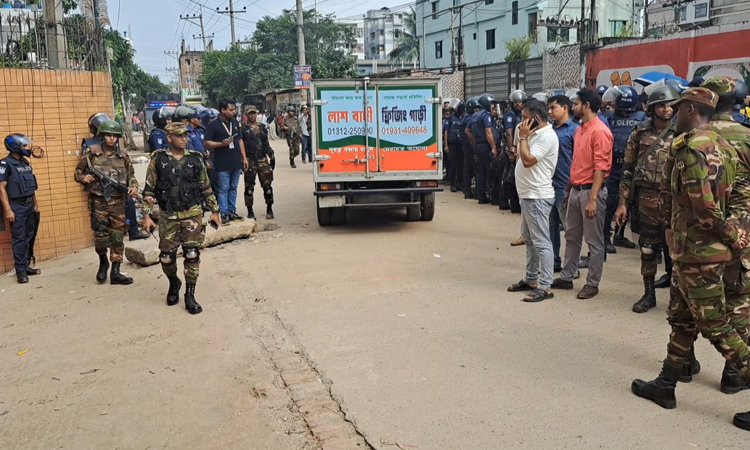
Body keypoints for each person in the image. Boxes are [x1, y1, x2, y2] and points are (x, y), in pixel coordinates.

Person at [631, 87, 750, 433]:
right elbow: (743, 189)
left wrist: (732, 234)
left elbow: (704, 209)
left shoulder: (695, 148)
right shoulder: (724, 144)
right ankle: (666, 384)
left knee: (716, 325)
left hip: (700, 252)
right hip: (693, 251)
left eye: (678, 106)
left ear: (689, 109)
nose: (672, 111)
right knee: (682, 317)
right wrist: (739, 227)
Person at [701, 76, 750, 394]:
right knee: (738, 300)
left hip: (702, 232)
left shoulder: (694, 136)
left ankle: (684, 363)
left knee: (695, 302)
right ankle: (733, 374)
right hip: (743, 230)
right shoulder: (747, 136)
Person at [141, 123, 221, 315]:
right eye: (179, 136)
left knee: (192, 254)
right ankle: (173, 282)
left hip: (192, 213)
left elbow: (206, 186)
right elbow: (149, 190)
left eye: (186, 135)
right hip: (168, 215)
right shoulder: (158, 159)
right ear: (169, 137)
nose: (184, 139)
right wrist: (146, 215)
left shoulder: (195, 158)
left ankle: (190, 294)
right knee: (166, 258)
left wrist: (215, 210)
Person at [614, 86, 679, 313]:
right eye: (661, 105)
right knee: (648, 249)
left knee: (675, 250)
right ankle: (649, 294)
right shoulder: (639, 133)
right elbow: (628, 169)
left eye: (670, 104)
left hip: (675, 202)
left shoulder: (683, 133)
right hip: (646, 201)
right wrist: (622, 203)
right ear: (652, 108)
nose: (666, 109)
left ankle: (676, 298)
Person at [551, 89, 614, 299]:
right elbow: (576, 163)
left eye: (576, 104)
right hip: (576, 190)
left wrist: (593, 199)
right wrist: (569, 189)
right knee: (572, 236)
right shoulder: (579, 130)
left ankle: (592, 283)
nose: (574, 107)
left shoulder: (600, 131)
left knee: (594, 241)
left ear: (586, 105)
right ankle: (567, 276)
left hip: (590, 192)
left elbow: (600, 169)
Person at [506, 100, 559, 302]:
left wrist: (523, 137)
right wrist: (523, 138)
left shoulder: (546, 137)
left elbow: (528, 161)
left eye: (525, 118)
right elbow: (521, 156)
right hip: (527, 194)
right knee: (529, 240)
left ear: (536, 118)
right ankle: (531, 279)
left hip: (537, 195)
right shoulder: (533, 135)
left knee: (541, 242)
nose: (522, 122)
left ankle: (545, 286)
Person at [74, 120, 139, 285]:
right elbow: (78, 173)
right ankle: (103, 261)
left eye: (114, 136)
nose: (111, 139)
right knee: (101, 237)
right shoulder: (92, 155)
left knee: (117, 237)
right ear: (102, 136)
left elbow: (132, 176)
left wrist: (134, 187)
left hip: (118, 203)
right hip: (98, 202)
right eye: (108, 135)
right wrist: (83, 178)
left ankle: (116, 271)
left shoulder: (123, 156)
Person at [601, 85, 647, 253]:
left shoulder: (642, 118)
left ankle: (619, 235)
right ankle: (604, 238)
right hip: (613, 167)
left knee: (630, 203)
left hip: (632, 167)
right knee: (610, 203)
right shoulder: (608, 117)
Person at [0, 134, 41, 284]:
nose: (26, 148)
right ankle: (20, 271)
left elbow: (31, 186)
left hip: (29, 205)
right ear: (15, 146)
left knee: (29, 236)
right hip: (16, 206)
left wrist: (35, 203)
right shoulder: (5, 164)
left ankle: (25, 266)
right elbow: (1, 188)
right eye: (24, 146)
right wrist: (8, 210)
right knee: (19, 238)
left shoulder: (25, 163)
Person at [203, 99, 248, 225]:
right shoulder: (214, 124)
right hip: (222, 163)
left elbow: (239, 140)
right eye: (231, 110)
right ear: (223, 110)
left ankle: (231, 211)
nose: (233, 112)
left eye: (234, 109)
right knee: (223, 189)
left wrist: (244, 158)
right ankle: (223, 213)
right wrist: (220, 144)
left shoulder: (234, 122)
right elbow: (206, 142)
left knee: (233, 188)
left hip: (235, 162)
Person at [547, 95, 579, 273]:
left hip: (565, 186)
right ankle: (554, 262)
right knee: (550, 228)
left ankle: (572, 267)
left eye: (553, 108)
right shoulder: (549, 130)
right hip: (548, 185)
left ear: (565, 108)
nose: (550, 112)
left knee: (570, 229)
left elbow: (578, 158)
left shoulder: (575, 130)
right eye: (549, 108)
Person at [242, 106, 276, 220]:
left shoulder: (262, 127)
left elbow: (265, 143)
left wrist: (271, 155)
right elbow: (240, 145)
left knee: (267, 187)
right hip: (250, 161)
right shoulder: (243, 129)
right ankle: (250, 211)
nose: (252, 115)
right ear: (247, 115)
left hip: (262, 160)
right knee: (249, 188)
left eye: (254, 113)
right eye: (250, 114)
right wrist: (243, 159)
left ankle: (269, 209)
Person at [467, 93, 497, 204]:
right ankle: (489, 194)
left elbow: (467, 131)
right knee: (489, 170)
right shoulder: (486, 115)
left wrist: (475, 143)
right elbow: (488, 132)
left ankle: (481, 195)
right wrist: (493, 147)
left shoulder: (475, 115)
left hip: (479, 146)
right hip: (486, 146)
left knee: (480, 171)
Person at [503, 90, 525, 213]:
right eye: (516, 102)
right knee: (510, 177)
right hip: (513, 150)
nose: (518, 104)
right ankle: (510, 203)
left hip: (520, 150)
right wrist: (512, 150)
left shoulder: (520, 115)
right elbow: (509, 134)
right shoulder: (509, 115)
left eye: (520, 102)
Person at [445, 99, 465, 192]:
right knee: (452, 165)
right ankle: (452, 184)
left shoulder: (464, 117)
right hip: (452, 145)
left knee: (461, 165)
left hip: (461, 145)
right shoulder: (450, 118)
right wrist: (446, 145)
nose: (454, 108)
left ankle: (459, 183)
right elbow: (446, 131)